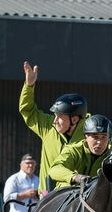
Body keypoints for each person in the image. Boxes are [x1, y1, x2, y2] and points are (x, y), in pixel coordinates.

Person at [19, 61, 89, 193]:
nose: (55, 120)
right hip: (48, 196)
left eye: (60, 117)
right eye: (54, 115)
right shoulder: (48, 125)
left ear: (74, 119)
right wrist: (29, 86)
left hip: (77, 196)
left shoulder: (90, 132)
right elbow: (27, 111)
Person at [49, 115, 112, 187]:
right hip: (68, 193)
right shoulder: (74, 150)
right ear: (86, 137)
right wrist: (75, 177)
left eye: (104, 137)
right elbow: (55, 169)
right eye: (95, 137)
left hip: (97, 195)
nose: (99, 142)